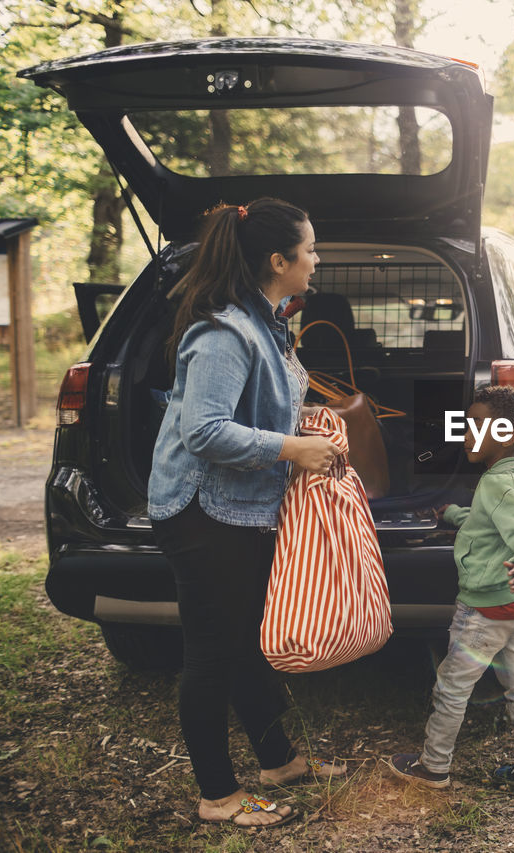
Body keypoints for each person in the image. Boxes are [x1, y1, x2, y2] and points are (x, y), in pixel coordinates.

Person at [148, 198, 347, 828]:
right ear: (277, 260)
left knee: (244, 643)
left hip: (242, 507)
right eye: (309, 250)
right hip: (202, 511)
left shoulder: (269, 321)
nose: (316, 260)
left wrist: (306, 428)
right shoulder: (224, 333)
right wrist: (292, 447)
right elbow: (204, 431)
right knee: (213, 650)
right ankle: (218, 797)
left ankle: (279, 761)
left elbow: (261, 410)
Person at [390, 385, 514, 793]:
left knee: (452, 687)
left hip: (483, 610)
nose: (466, 435)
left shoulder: (501, 485)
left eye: (476, 426)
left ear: (505, 434)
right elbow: (492, 522)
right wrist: (455, 513)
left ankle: (433, 767)